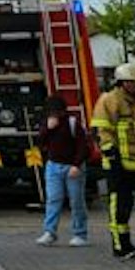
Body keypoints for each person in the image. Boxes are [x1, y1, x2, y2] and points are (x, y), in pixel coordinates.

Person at [93, 63, 135, 259]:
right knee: (121, 206)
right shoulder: (109, 100)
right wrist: (111, 153)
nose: (133, 86)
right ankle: (121, 244)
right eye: (129, 82)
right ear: (120, 82)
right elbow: (101, 130)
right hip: (119, 164)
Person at [34, 97, 90, 247]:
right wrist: (48, 129)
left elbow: (83, 147)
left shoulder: (72, 123)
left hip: (72, 166)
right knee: (53, 199)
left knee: (76, 201)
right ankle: (49, 232)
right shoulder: (47, 124)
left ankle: (80, 233)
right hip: (53, 165)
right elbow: (40, 142)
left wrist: (76, 165)